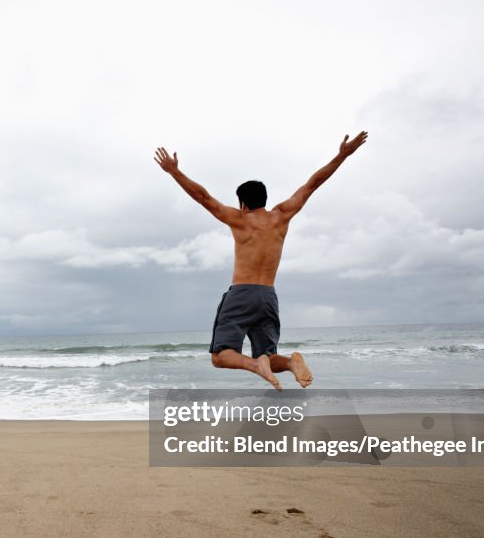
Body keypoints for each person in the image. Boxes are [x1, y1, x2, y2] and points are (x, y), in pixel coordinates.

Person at [154, 132, 368, 389]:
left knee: (220, 356)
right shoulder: (282, 215)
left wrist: (173, 172)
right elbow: (313, 183)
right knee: (268, 354)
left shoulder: (239, 220)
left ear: (243, 204)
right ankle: (290, 363)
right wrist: (342, 155)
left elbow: (203, 197)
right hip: (268, 296)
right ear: (264, 199)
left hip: (242, 293)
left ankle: (256, 366)